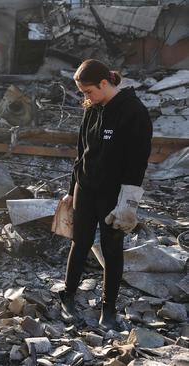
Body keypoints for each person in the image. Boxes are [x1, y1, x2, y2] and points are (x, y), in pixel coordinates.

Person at [58, 59, 152, 329]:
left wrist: (129, 202)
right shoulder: (92, 109)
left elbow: (138, 162)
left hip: (114, 194)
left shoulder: (133, 112)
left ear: (104, 83)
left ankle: (108, 309)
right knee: (80, 243)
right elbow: (81, 153)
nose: (85, 97)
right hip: (85, 188)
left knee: (112, 249)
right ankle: (68, 296)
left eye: (88, 91)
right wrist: (69, 191)